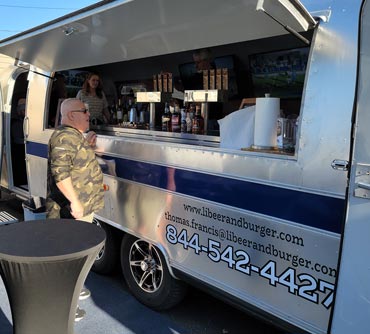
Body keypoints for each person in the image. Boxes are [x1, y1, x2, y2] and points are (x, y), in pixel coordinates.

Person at [46, 98, 105, 321]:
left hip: (78, 209)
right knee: (66, 258)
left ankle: (73, 289)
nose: (89, 113)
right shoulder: (64, 137)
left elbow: (74, 162)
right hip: (69, 212)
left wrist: (86, 146)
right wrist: (75, 202)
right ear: (71, 115)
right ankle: (64, 308)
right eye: (84, 110)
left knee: (74, 255)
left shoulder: (73, 137)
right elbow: (60, 174)